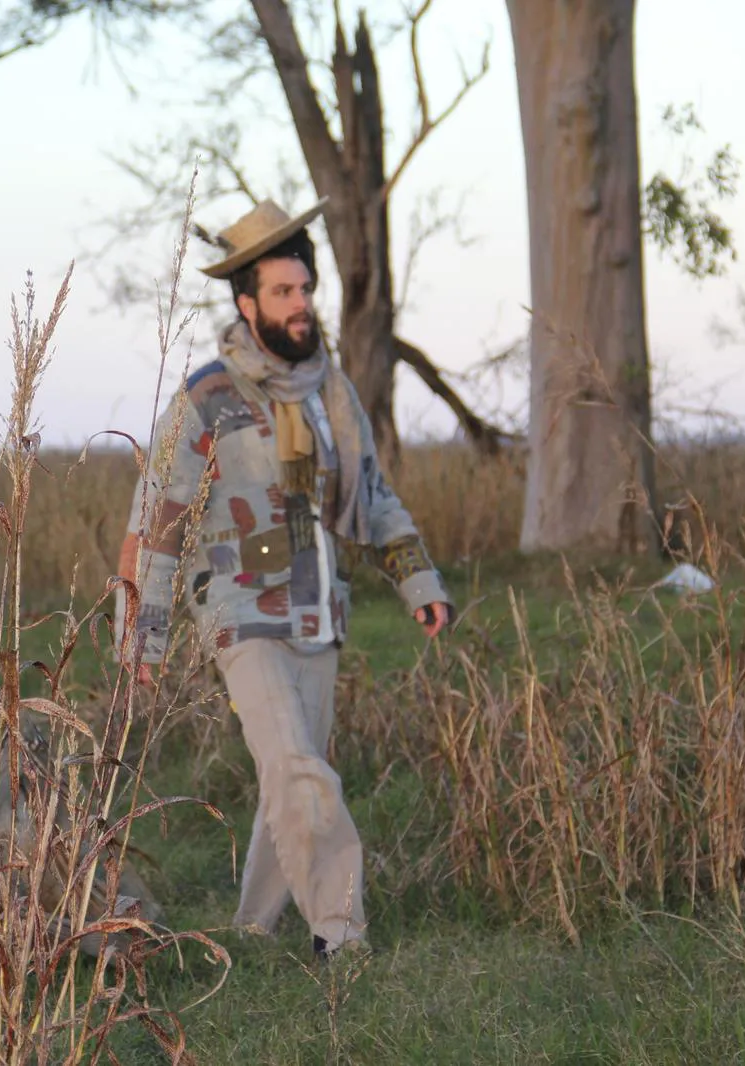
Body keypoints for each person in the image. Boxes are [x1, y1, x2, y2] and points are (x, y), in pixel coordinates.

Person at [114, 198, 454, 960]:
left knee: (291, 776)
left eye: (306, 291)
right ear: (247, 304)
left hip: (320, 615)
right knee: (300, 770)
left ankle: (251, 931)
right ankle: (341, 934)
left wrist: (419, 582)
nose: (302, 306)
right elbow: (159, 521)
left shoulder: (331, 395)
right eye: (284, 294)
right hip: (241, 615)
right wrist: (145, 637)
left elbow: (370, 495)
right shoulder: (208, 397)